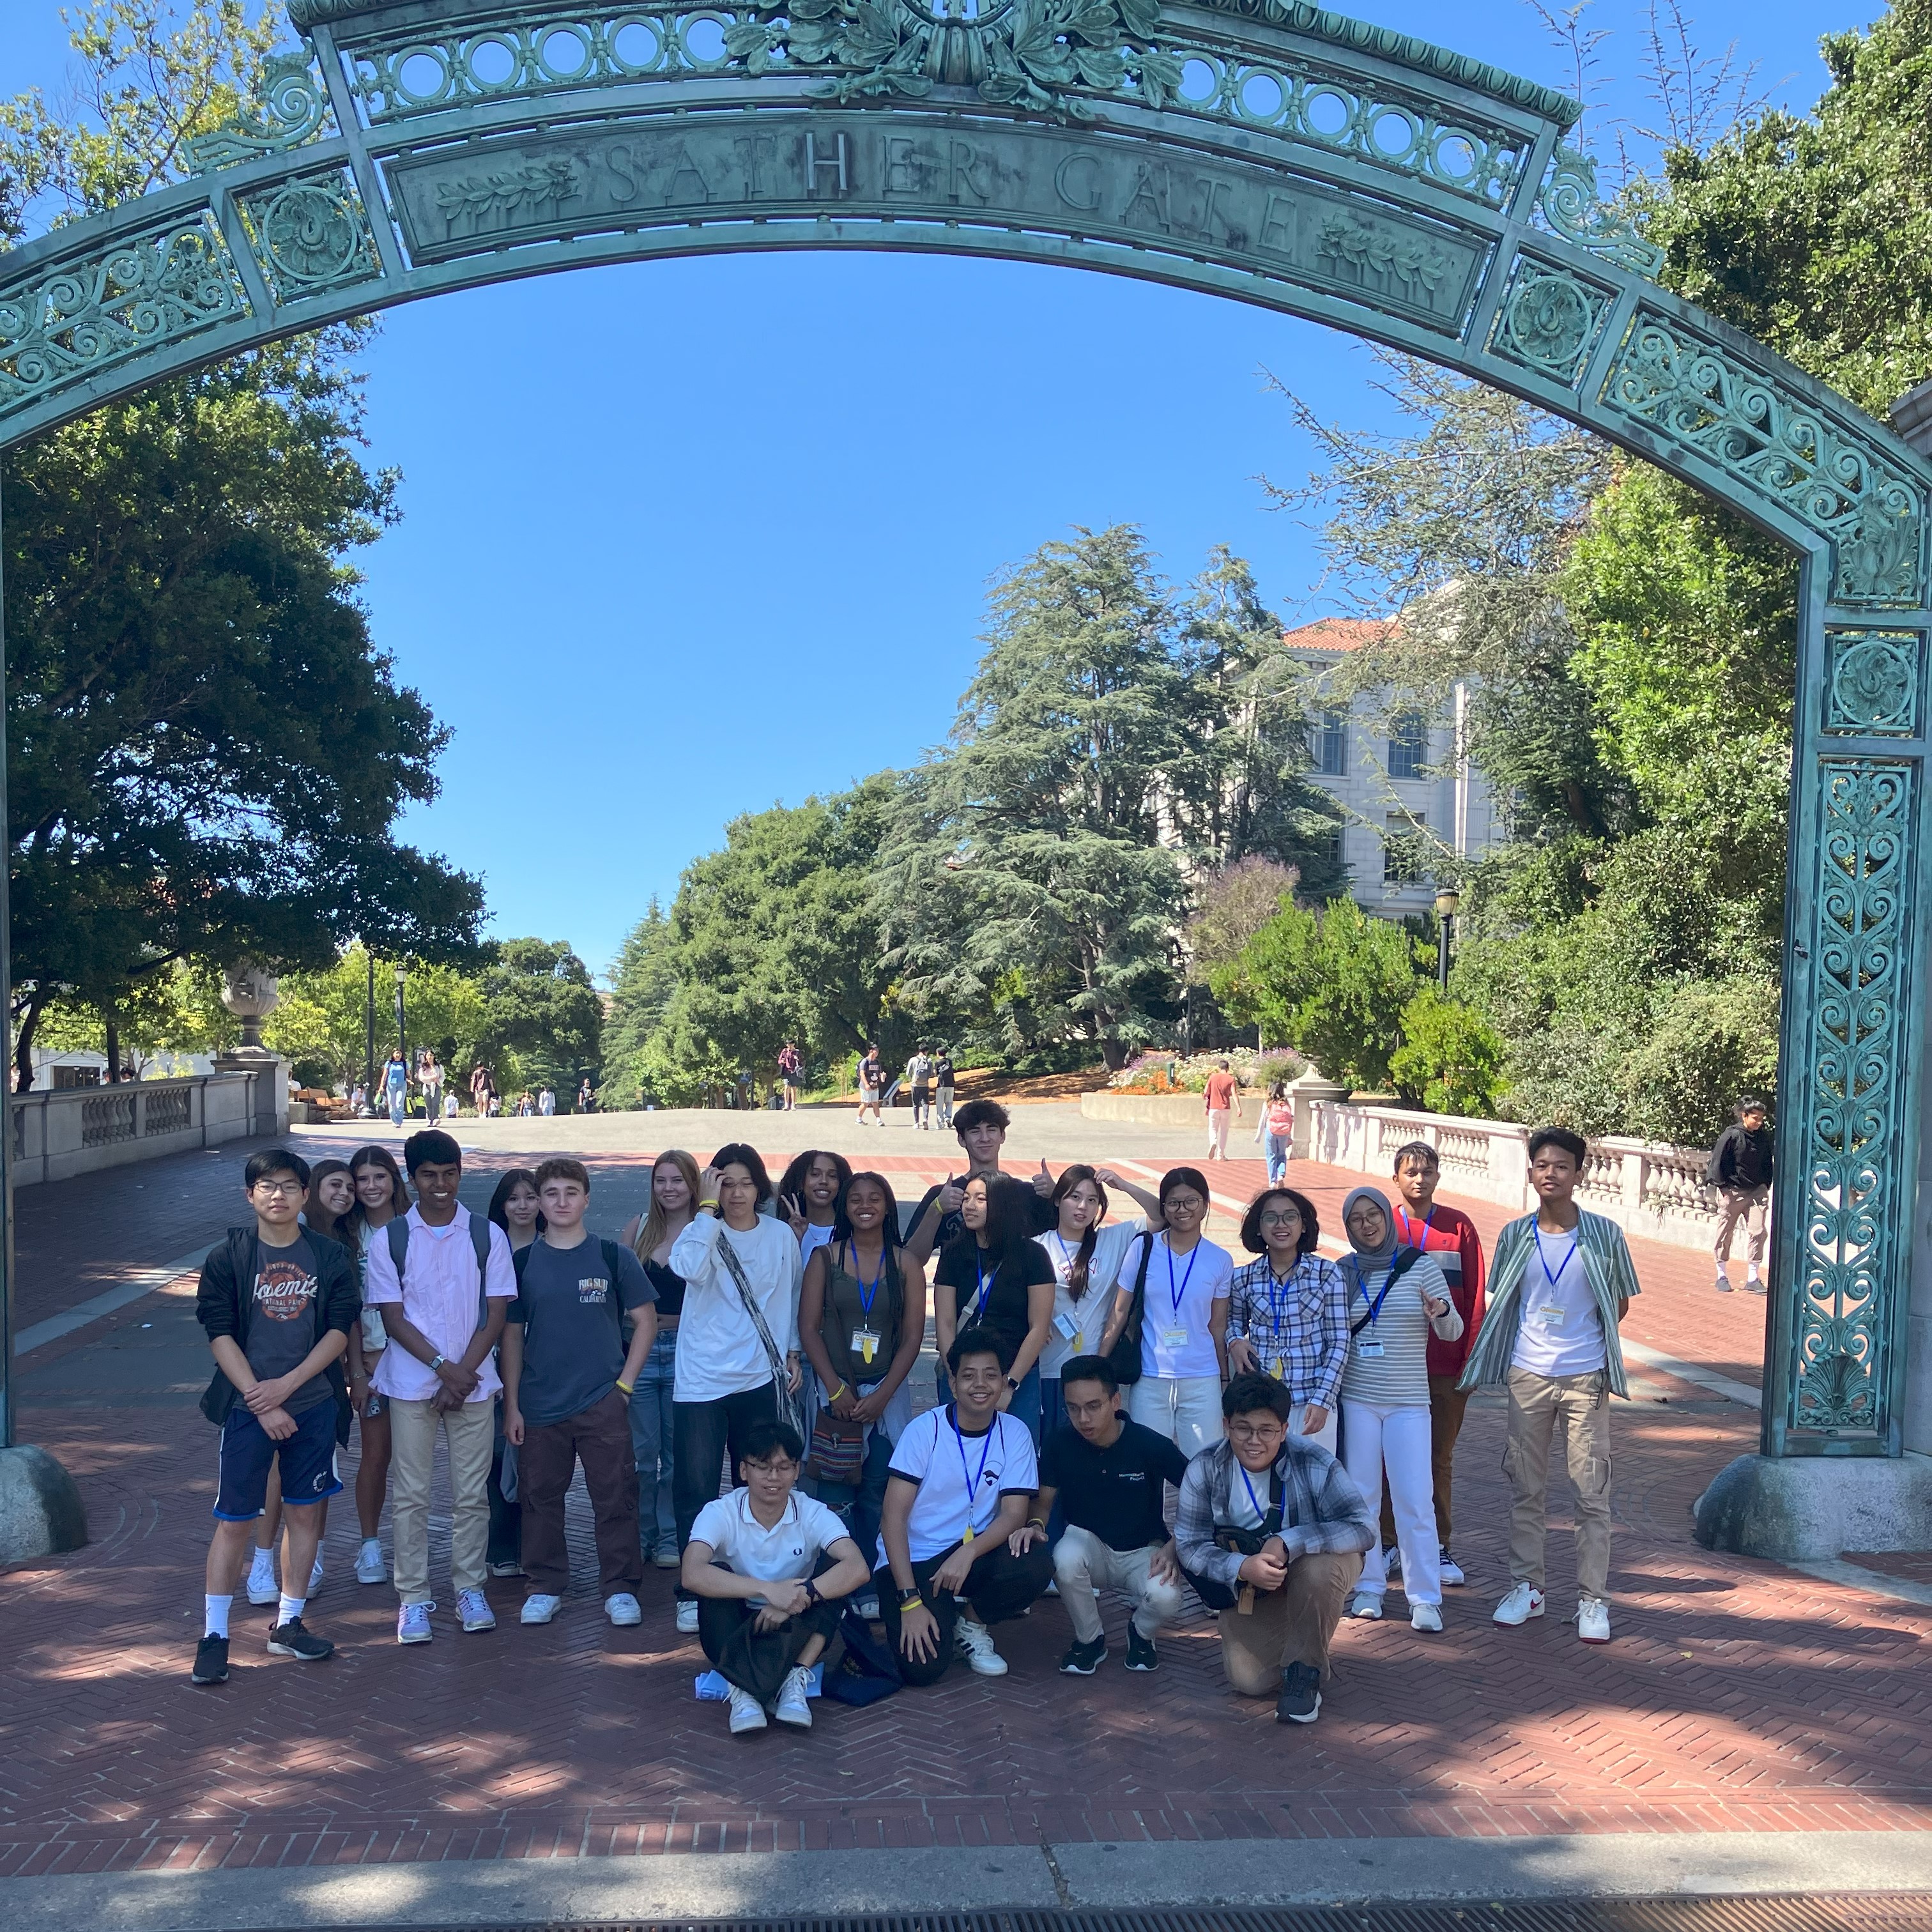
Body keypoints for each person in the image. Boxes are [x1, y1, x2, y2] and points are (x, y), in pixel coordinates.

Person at [1459, 1126, 1640, 1645]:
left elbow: (1619, 1302)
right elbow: (1508, 1300)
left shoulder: (1606, 1234)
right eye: (1542, 1165)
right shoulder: (1515, 1234)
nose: (1550, 1174)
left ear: (1579, 1173)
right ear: (1531, 1171)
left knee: (1591, 1491)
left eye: (1561, 1166)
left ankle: (1592, 1600)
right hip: (1528, 1374)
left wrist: (1582, 1340)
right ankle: (1527, 1588)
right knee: (1525, 1488)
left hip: (1586, 1376)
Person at [190, 1149, 359, 1684]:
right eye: (267, 1186)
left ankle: (289, 1625)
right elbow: (219, 1332)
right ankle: (214, 1635)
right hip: (247, 1411)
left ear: (305, 1195)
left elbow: (338, 1329)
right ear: (250, 1196)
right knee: (235, 1520)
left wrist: (286, 1388)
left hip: (311, 1405)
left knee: (305, 1514)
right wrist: (259, 1400)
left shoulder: (330, 1257)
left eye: (289, 1186)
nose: (279, 1195)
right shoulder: (229, 1258)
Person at [360, 1128, 518, 1644]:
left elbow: (496, 1313)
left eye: (449, 1174)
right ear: (413, 1178)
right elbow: (393, 1315)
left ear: (459, 1174)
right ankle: (412, 1598)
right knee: (411, 1494)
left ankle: (469, 1587)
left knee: (472, 1495)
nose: (440, 1185)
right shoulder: (391, 1239)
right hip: (410, 1384)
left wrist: (461, 1374)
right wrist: (442, 1368)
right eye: (428, 1175)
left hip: (473, 1382)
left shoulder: (485, 1235)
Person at [502, 1159, 657, 1627]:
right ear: (541, 1203)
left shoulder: (613, 1256)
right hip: (540, 1402)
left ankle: (620, 1587)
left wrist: (624, 1387)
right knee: (540, 1498)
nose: (562, 1201)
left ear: (587, 1199)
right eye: (552, 1193)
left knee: (615, 1497)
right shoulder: (524, 1262)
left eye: (571, 1192)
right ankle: (545, 1584)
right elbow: (511, 1336)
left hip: (602, 1401)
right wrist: (512, 1403)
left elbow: (645, 1321)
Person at [1174, 1374, 1376, 1723]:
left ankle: (1305, 1674)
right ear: (1226, 1426)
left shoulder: (1315, 1461)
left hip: (1313, 1566)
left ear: (1284, 1430)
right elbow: (1189, 1545)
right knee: (1249, 1681)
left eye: (1266, 1430)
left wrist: (1290, 1542)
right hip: (1251, 1582)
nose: (1255, 1441)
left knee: (1318, 1571)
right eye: (1243, 1429)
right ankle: (1303, 1630)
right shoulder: (1204, 1467)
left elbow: (1363, 1528)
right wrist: (1240, 1567)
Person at [667, 1143, 804, 1636]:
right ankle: (693, 1587)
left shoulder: (780, 1236)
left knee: (762, 1481)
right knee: (696, 1489)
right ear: (713, 1187)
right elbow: (685, 1268)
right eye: (727, 1183)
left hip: (758, 1377)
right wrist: (705, 1211)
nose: (738, 1193)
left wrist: (791, 1353)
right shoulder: (701, 1231)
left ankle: (758, 1578)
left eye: (747, 1183)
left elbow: (788, 1296)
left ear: (760, 1187)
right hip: (701, 1381)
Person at [877, 1326, 1053, 1683]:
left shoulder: (1015, 1432)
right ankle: (928, 1609)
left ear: (1005, 1382)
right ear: (953, 1383)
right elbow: (892, 1519)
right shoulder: (923, 1431)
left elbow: (1014, 1514)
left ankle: (971, 1624)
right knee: (922, 1671)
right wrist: (910, 1601)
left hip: (971, 1552)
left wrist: (968, 1552)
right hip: (917, 1559)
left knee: (1035, 1562)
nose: (980, 1385)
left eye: (991, 1375)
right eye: (968, 1376)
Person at [683, 1417, 870, 1733]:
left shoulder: (811, 1511)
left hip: (796, 1620)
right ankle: (742, 1691)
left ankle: (796, 1679)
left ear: (797, 1471)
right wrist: (768, 1590)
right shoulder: (720, 1512)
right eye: (763, 1467)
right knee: (714, 1575)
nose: (774, 1477)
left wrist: (797, 1597)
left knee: (834, 1574)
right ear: (744, 1471)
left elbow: (858, 1567)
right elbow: (690, 1573)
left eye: (784, 1468)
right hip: (738, 1622)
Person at [1335, 1185, 1461, 1632]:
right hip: (1357, 1399)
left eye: (1374, 1215)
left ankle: (1424, 1597)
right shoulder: (1343, 1271)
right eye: (1356, 1219)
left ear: (1387, 1219)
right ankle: (1367, 1587)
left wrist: (1440, 1310)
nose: (1366, 1224)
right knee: (1363, 1498)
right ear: (1348, 1226)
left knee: (1414, 1499)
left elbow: (1452, 1331)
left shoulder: (1419, 1265)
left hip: (1409, 1401)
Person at [797, 1170, 926, 1600]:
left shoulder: (906, 1263)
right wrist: (834, 1389)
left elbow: (912, 1338)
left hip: (888, 1397)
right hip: (836, 1394)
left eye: (875, 1198)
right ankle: (837, 1588)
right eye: (855, 1199)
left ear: (888, 1205)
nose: (865, 1205)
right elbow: (808, 1328)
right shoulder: (825, 1258)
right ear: (844, 1207)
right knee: (835, 1494)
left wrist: (884, 1395)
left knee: (881, 1491)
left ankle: (873, 1588)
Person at [1015, 1355, 1187, 1674]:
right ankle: (1089, 1640)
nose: (1083, 1418)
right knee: (1063, 1557)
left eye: (1094, 1406)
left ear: (1116, 1400)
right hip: (1088, 1545)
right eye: (1073, 1407)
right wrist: (1035, 1525)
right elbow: (1043, 1501)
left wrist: (1175, 1545)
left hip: (1144, 1552)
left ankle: (1141, 1633)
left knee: (1166, 1597)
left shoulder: (1149, 1444)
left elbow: (1198, 1495)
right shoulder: (1059, 1443)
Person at [243, 1158, 355, 1609]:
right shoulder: (278, 1236)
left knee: (317, 1472)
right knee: (273, 1473)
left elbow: (343, 1320)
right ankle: (264, 1559)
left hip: (324, 1375)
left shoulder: (344, 1242)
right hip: (268, 1378)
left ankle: (311, 1558)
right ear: (311, 1190)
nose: (344, 1194)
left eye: (350, 1187)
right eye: (335, 1185)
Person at [1385, 1142, 1486, 1588]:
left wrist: (1472, 1361)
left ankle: (1438, 1545)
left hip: (1447, 1366)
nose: (1419, 1179)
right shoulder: (1382, 1223)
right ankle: (1388, 1541)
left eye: (1427, 1172)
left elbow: (1476, 1295)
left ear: (1438, 1177)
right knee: (1387, 1457)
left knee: (1437, 1458)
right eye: (1411, 1172)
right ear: (1397, 1179)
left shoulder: (1458, 1227)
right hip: (1394, 1365)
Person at [1099, 1167, 1232, 1458]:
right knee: (1146, 1465)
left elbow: (1217, 1327)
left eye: (1191, 1201)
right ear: (1164, 1208)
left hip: (1201, 1379)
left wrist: (1223, 1379)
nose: (1182, 1209)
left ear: (1205, 1205)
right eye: (1173, 1202)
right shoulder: (1143, 1249)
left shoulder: (1220, 1260)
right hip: (1150, 1377)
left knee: (1205, 1463)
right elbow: (1119, 1312)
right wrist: (1099, 1363)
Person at [1033, 1164, 1161, 1442]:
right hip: (1048, 1369)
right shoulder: (1037, 1247)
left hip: (1094, 1373)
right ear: (1057, 1200)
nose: (1083, 1207)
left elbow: (1160, 1215)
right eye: (1074, 1197)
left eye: (1092, 1200)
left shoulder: (1112, 1240)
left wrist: (1124, 1185)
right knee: (1050, 1456)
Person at [932, 1173, 1055, 1441]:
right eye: (966, 1198)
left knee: (1015, 1458)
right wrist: (955, 1376)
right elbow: (944, 1322)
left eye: (980, 1199)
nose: (969, 1206)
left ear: (1002, 1204)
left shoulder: (1033, 1256)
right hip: (961, 1374)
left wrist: (1010, 1384)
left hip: (1016, 1377)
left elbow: (1038, 1327)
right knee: (955, 1454)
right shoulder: (953, 1253)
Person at [620, 1149, 699, 1569]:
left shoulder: (706, 1229)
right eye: (661, 1180)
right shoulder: (640, 1227)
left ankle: (670, 1536)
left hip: (689, 1355)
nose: (669, 1189)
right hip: (643, 1352)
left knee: (677, 1455)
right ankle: (640, 1533)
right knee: (640, 1455)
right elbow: (620, 1296)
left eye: (678, 1181)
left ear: (693, 1185)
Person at [1226, 1186, 1347, 1454]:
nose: (1281, 1225)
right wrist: (1234, 1340)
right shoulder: (1244, 1277)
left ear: (1304, 1225)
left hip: (1311, 1400)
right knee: (1264, 1483)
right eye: (1271, 1218)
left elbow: (1339, 1341)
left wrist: (1323, 1400)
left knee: (1312, 1486)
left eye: (1290, 1217)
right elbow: (1234, 1321)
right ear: (1258, 1227)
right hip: (1263, 1403)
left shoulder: (1327, 1274)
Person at [344, 1146, 409, 1586]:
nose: (371, 1187)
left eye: (379, 1177)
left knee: (418, 1461)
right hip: (370, 1360)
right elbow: (345, 1310)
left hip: (418, 1360)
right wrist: (357, 1371)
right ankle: (370, 1546)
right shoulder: (347, 1237)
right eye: (362, 1179)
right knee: (376, 1455)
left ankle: (415, 1546)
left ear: (394, 1180)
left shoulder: (415, 1227)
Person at [905, 1098, 1057, 1266]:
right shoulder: (943, 1196)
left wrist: (1057, 1197)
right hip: (958, 1290)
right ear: (962, 1140)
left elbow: (1079, 1239)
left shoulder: (1028, 1194)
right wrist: (936, 1209)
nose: (984, 1138)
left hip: (1018, 1288)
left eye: (991, 1129)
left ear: (1002, 1136)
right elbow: (910, 1261)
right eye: (975, 1131)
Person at [484, 1169, 545, 1577]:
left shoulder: (554, 1245)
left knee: (539, 1461)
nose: (522, 1206)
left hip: (542, 1370)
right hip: (491, 1368)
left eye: (530, 1197)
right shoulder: (486, 1247)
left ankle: (534, 1547)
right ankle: (500, 1545)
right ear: (501, 1205)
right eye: (513, 1198)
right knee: (495, 1456)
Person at [1708, 1096, 1774, 1294]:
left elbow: (1767, 1162)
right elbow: (1717, 1161)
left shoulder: (1762, 1136)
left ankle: (1753, 1278)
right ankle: (1721, 1275)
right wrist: (1724, 1188)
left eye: (1762, 1119)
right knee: (1725, 1233)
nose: (1759, 1122)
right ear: (1745, 1116)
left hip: (1757, 1193)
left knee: (1758, 1232)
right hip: (1733, 1192)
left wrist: (1765, 1185)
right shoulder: (1731, 1135)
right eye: (1755, 1118)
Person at [776, 1149, 852, 1276]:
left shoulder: (850, 1231)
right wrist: (795, 1240)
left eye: (832, 1176)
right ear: (801, 1182)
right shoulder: (784, 1230)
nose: (824, 1181)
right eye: (815, 1174)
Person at [1254, 1080, 1294, 1184]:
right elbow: (1289, 1119)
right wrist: (1289, 1135)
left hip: (1271, 1131)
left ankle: (1272, 1181)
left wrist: (1258, 1136)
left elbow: (1263, 1120)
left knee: (1271, 1155)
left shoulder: (1268, 1103)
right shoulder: (1286, 1104)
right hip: (1284, 1132)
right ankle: (1281, 1175)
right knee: (1281, 1154)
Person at [1203, 1057, 1240, 1161]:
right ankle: (1221, 1155)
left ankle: (1213, 1142)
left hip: (1213, 1107)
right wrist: (1238, 1107)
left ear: (1219, 1068)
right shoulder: (1231, 1079)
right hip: (1225, 1108)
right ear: (1228, 1068)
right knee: (1224, 1131)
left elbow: (1206, 1091)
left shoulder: (1213, 1077)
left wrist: (1205, 1096)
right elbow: (1234, 1093)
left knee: (1213, 1128)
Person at [905, 1046, 934, 1130]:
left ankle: (916, 1123)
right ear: (926, 1051)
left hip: (915, 1085)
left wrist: (912, 1078)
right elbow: (931, 1073)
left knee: (915, 1104)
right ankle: (925, 1119)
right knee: (925, 1103)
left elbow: (908, 1073)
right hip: (925, 1085)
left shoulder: (913, 1060)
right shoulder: (929, 1060)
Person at [857, 1045, 884, 1126]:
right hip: (866, 1086)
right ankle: (859, 1119)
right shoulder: (865, 1061)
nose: (877, 1052)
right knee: (865, 1103)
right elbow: (862, 1073)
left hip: (875, 1086)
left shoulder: (877, 1062)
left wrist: (882, 1076)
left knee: (875, 1103)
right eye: (876, 1050)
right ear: (871, 1051)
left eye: (878, 1050)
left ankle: (879, 1120)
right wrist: (866, 1084)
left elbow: (879, 1073)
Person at [383, 1050, 408, 1128]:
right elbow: (385, 1075)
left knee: (399, 1103)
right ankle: (394, 1121)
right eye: (396, 1053)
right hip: (391, 1085)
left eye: (400, 1053)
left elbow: (408, 1074)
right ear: (393, 1054)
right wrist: (381, 1086)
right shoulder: (389, 1063)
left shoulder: (404, 1063)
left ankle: (399, 1122)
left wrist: (410, 1080)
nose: (398, 1055)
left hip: (402, 1084)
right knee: (392, 1103)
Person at [417, 1050, 443, 1124]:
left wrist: (438, 1080)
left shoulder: (439, 1066)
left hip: (436, 1086)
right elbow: (421, 1077)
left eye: (431, 1055)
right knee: (428, 1103)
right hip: (427, 1086)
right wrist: (430, 1078)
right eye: (428, 1055)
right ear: (426, 1056)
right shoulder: (423, 1067)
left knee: (435, 1103)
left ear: (434, 1056)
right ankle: (430, 1119)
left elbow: (443, 1077)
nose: (430, 1057)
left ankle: (436, 1118)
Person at [933, 1048, 956, 1130]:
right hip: (951, 1085)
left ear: (938, 1053)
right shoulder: (949, 1061)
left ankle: (941, 1123)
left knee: (940, 1105)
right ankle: (948, 1118)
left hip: (941, 1086)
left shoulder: (937, 1063)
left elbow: (935, 1074)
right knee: (949, 1103)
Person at [778, 1041, 802, 1112]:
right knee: (786, 1087)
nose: (790, 1046)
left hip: (794, 1071)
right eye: (788, 1044)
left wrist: (797, 1058)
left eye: (791, 1044)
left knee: (794, 1088)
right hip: (787, 1072)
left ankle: (793, 1105)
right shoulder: (785, 1051)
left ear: (794, 1044)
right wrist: (782, 1061)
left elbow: (802, 1062)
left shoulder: (797, 1052)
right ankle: (786, 1105)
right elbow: (779, 1061)